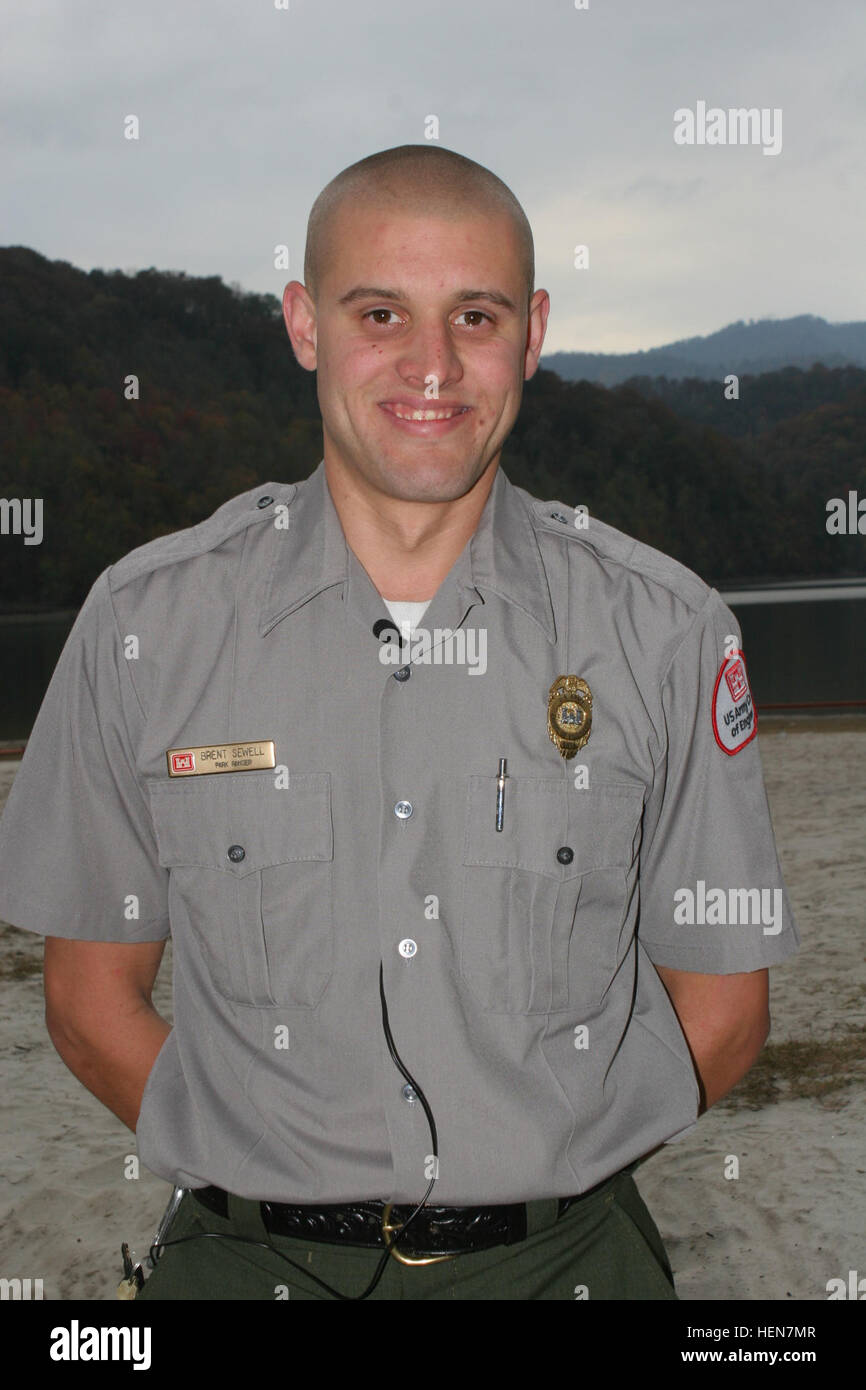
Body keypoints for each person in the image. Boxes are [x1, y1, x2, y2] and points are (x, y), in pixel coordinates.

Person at [0, 144, 799, 1301]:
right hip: (241, 1266)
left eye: (473, 317)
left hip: (568, 1268)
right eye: (380, 312)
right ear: (303, 324)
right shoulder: (146, 624)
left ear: (529, 334)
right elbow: (86, 999)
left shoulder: (664, 633)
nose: (431, 365)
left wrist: (535, 1177)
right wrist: (271, 1171)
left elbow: (720, 1010)